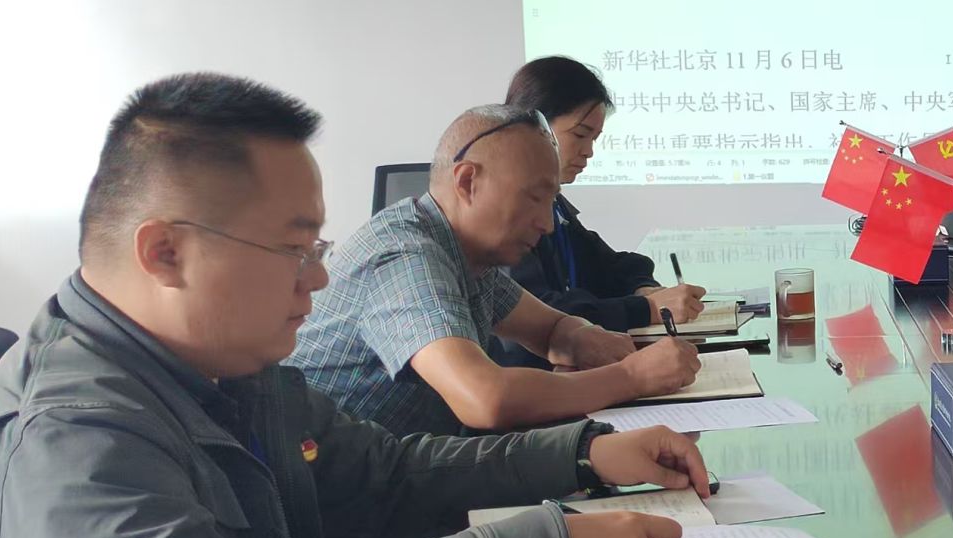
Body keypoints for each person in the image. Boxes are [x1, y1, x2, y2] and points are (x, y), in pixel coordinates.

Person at [0, 74, 714, 538]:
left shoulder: (232, 366)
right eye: (294, 249)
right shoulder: (68, 431)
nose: (318, 279)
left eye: (318, 247)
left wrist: (584, 453)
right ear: (165, 254)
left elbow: (388, 471)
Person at [287, 104, 700, 436]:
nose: (547, 223)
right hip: (336, 496)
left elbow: (552, 329)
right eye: (534, 198)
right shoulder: (407, 256)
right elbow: (485, 399)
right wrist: (631, 376)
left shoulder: (466, 253)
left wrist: (582, 338)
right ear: (468, 182)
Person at [499, 57, 705, 367]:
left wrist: (643, 287)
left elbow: (609, 264)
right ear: (534, 126)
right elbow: (540, 313)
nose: (589, 152)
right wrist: (646, 309)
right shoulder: (503, 211)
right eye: (580, 135)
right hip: (535, 378)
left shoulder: (554, 203)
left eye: (594, 139)